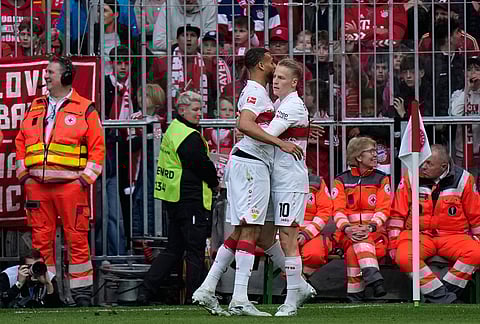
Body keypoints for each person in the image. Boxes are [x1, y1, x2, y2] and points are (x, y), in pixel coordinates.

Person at [192, 48, 310, 317]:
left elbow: (259, 122)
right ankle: (240, 297)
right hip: (251, 165)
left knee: (247, 231)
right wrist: (281, 141)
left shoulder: (268, 96)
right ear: (260, 65)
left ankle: (208, 287)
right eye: (271, 64)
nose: (274, 67)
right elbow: (246, 124)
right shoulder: (257, 92)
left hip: (255, 167)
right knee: (251, 230)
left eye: (281, 73)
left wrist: (299, 129)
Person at [15, 56, 105, 306]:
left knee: (76, 238)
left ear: (66, 77)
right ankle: (48, 293)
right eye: (46, 72)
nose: (46, 76)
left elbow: (98, 148)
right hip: (37, 187)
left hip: (70, 187)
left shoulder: (86, 107)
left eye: (51, 73)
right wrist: (24, 175)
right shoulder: (36, 106)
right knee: (40, 241)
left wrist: (83, 181)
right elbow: (21, 140)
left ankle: (82, 294)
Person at [138, 91, 219, 305]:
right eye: (194, 109)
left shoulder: (174, 129)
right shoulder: (188, 136)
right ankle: (196, 296)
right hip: (191, 200)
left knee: (173, 249)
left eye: (200, 109)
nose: (199, 114)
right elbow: (202, 165)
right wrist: (215, 181)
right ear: (181, 110)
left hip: (174, 199)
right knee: (194, 251)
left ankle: (146, 290)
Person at [388, 144, 480, 303]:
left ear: (443, 166)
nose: (423, 166)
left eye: (429, 163)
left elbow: (476, 215)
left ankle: (440, 295)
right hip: (418, 235)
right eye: (423, 162)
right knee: (403, 257)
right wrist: (393, 244)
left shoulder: (464, 179)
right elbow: (397, 214)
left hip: (453, 236)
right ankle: (444, 298)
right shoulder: (411, 176)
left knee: (476, 253)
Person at [263, 58, 311, 316]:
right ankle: (300, 285)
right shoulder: (280, 103)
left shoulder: (292, 105)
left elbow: (269, 133)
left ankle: (291, 301)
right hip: (275, 180)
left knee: (288, 239)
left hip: (289, 182)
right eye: (274, 76)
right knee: (264, 236)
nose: (275, 81)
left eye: (281, 77)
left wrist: (248, 129)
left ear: (294, 82)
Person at [331, 137, 390, 302]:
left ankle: (355, 295)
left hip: (375, 234)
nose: (375, 154)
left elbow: (384, 209)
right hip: (347, 233)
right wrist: (347, 229)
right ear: (358, 157)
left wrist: (370, 227)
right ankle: (375, 280)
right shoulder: (341, 180)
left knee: (354, 250)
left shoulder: (382, 178)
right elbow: (337, 210)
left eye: (375, 151)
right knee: (359, 242)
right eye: (371, 151)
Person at [450, 56, 480, 178]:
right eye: (469, 69)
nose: (472, 72)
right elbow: (455, 114)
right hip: (461, 153)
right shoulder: (458, 94)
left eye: (477, 69)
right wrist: (467, 89)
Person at [298, 174, 334, 277]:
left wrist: (307, 233)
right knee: (285, 256)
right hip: (284, 232)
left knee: (315, 254)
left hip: (313, 233)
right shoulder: (277, 178)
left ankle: (301, 280)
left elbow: (324, 211)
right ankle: (295, 284)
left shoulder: (316, 182)